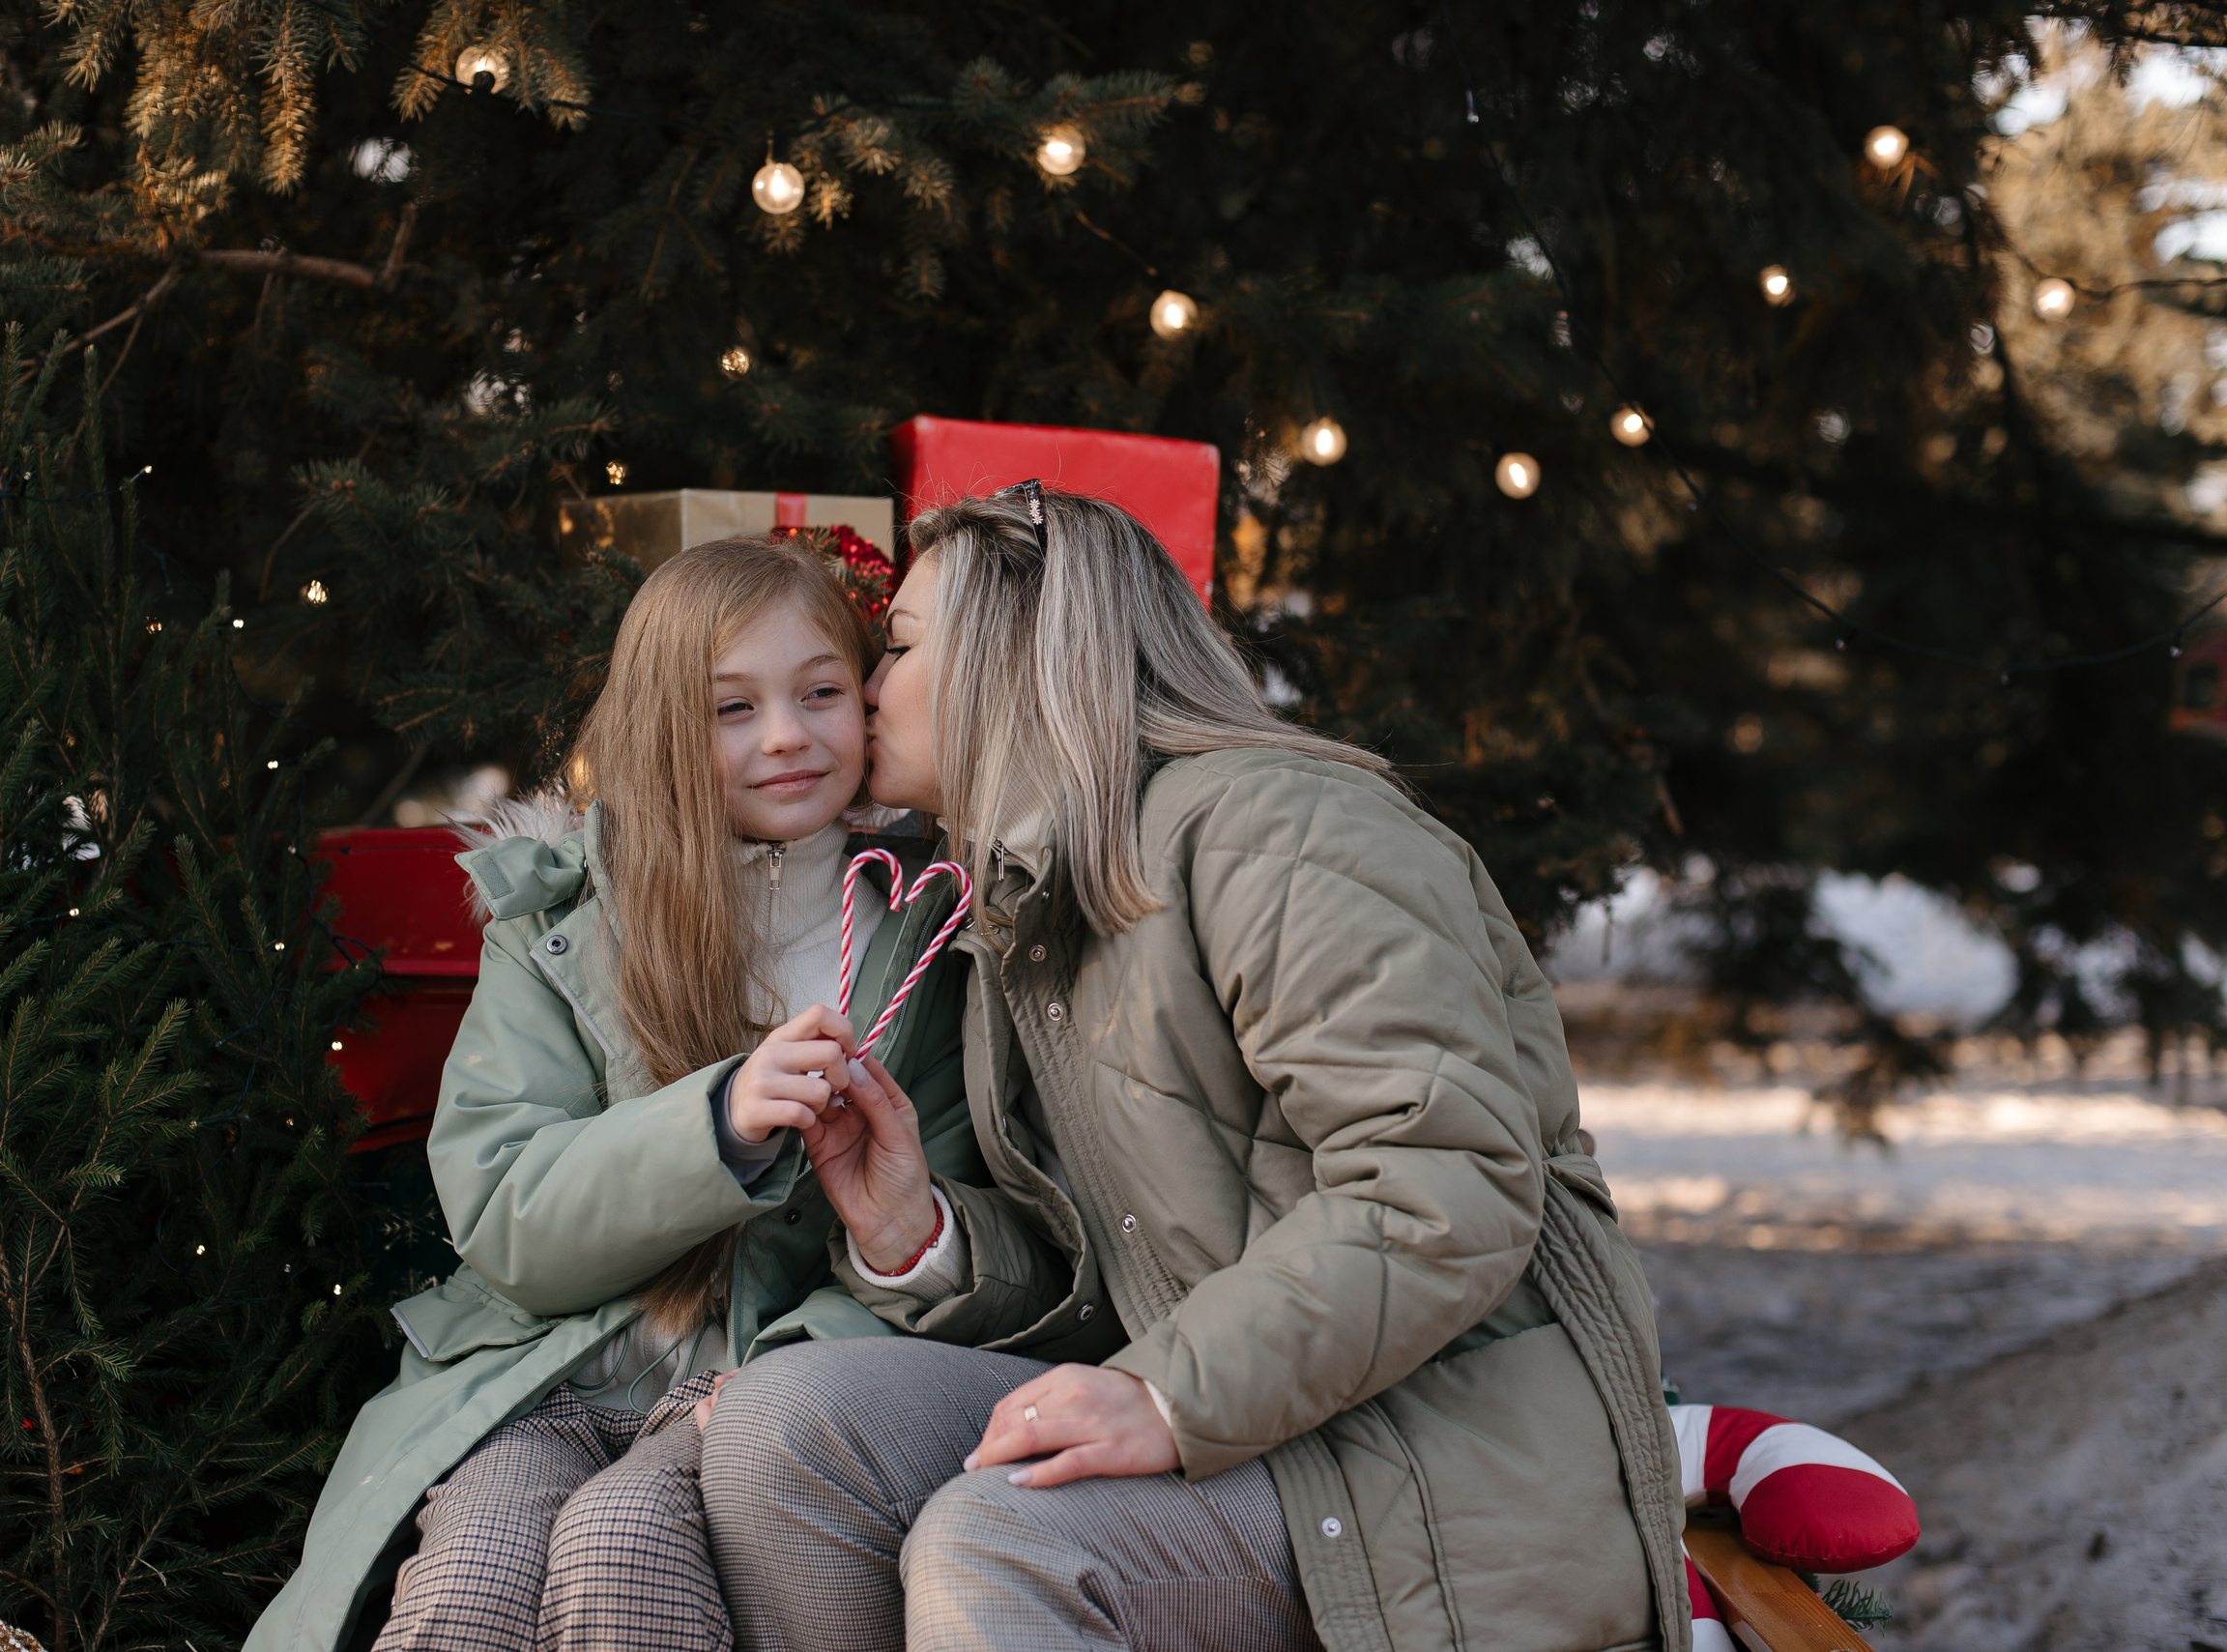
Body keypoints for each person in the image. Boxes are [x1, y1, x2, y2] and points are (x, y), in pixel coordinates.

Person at [698, 486, 1692, 1652]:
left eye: (901, 647)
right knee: (786, 1429)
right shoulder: (1031, 889)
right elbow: (1129, 1269)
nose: (867, 687)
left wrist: (1165, 1392)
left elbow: (1444, 1188)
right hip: (1251, 1413)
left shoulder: (1284, 831)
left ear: (1016, 652)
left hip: (1425, 1455)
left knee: (1003, 1537)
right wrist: (921, 1236)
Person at [245, 536, 1107, 1652]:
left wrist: (825, 1328)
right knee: (469, 1574)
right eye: (730, 708)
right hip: (546, 1376)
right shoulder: (565, 925)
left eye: (822, 691)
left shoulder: (928, 934)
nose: (788, 734)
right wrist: (715, 1122)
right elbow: (510, 1215)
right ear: (662, 726)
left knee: (625, 1550)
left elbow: (972, 1211)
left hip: (748, 1399)